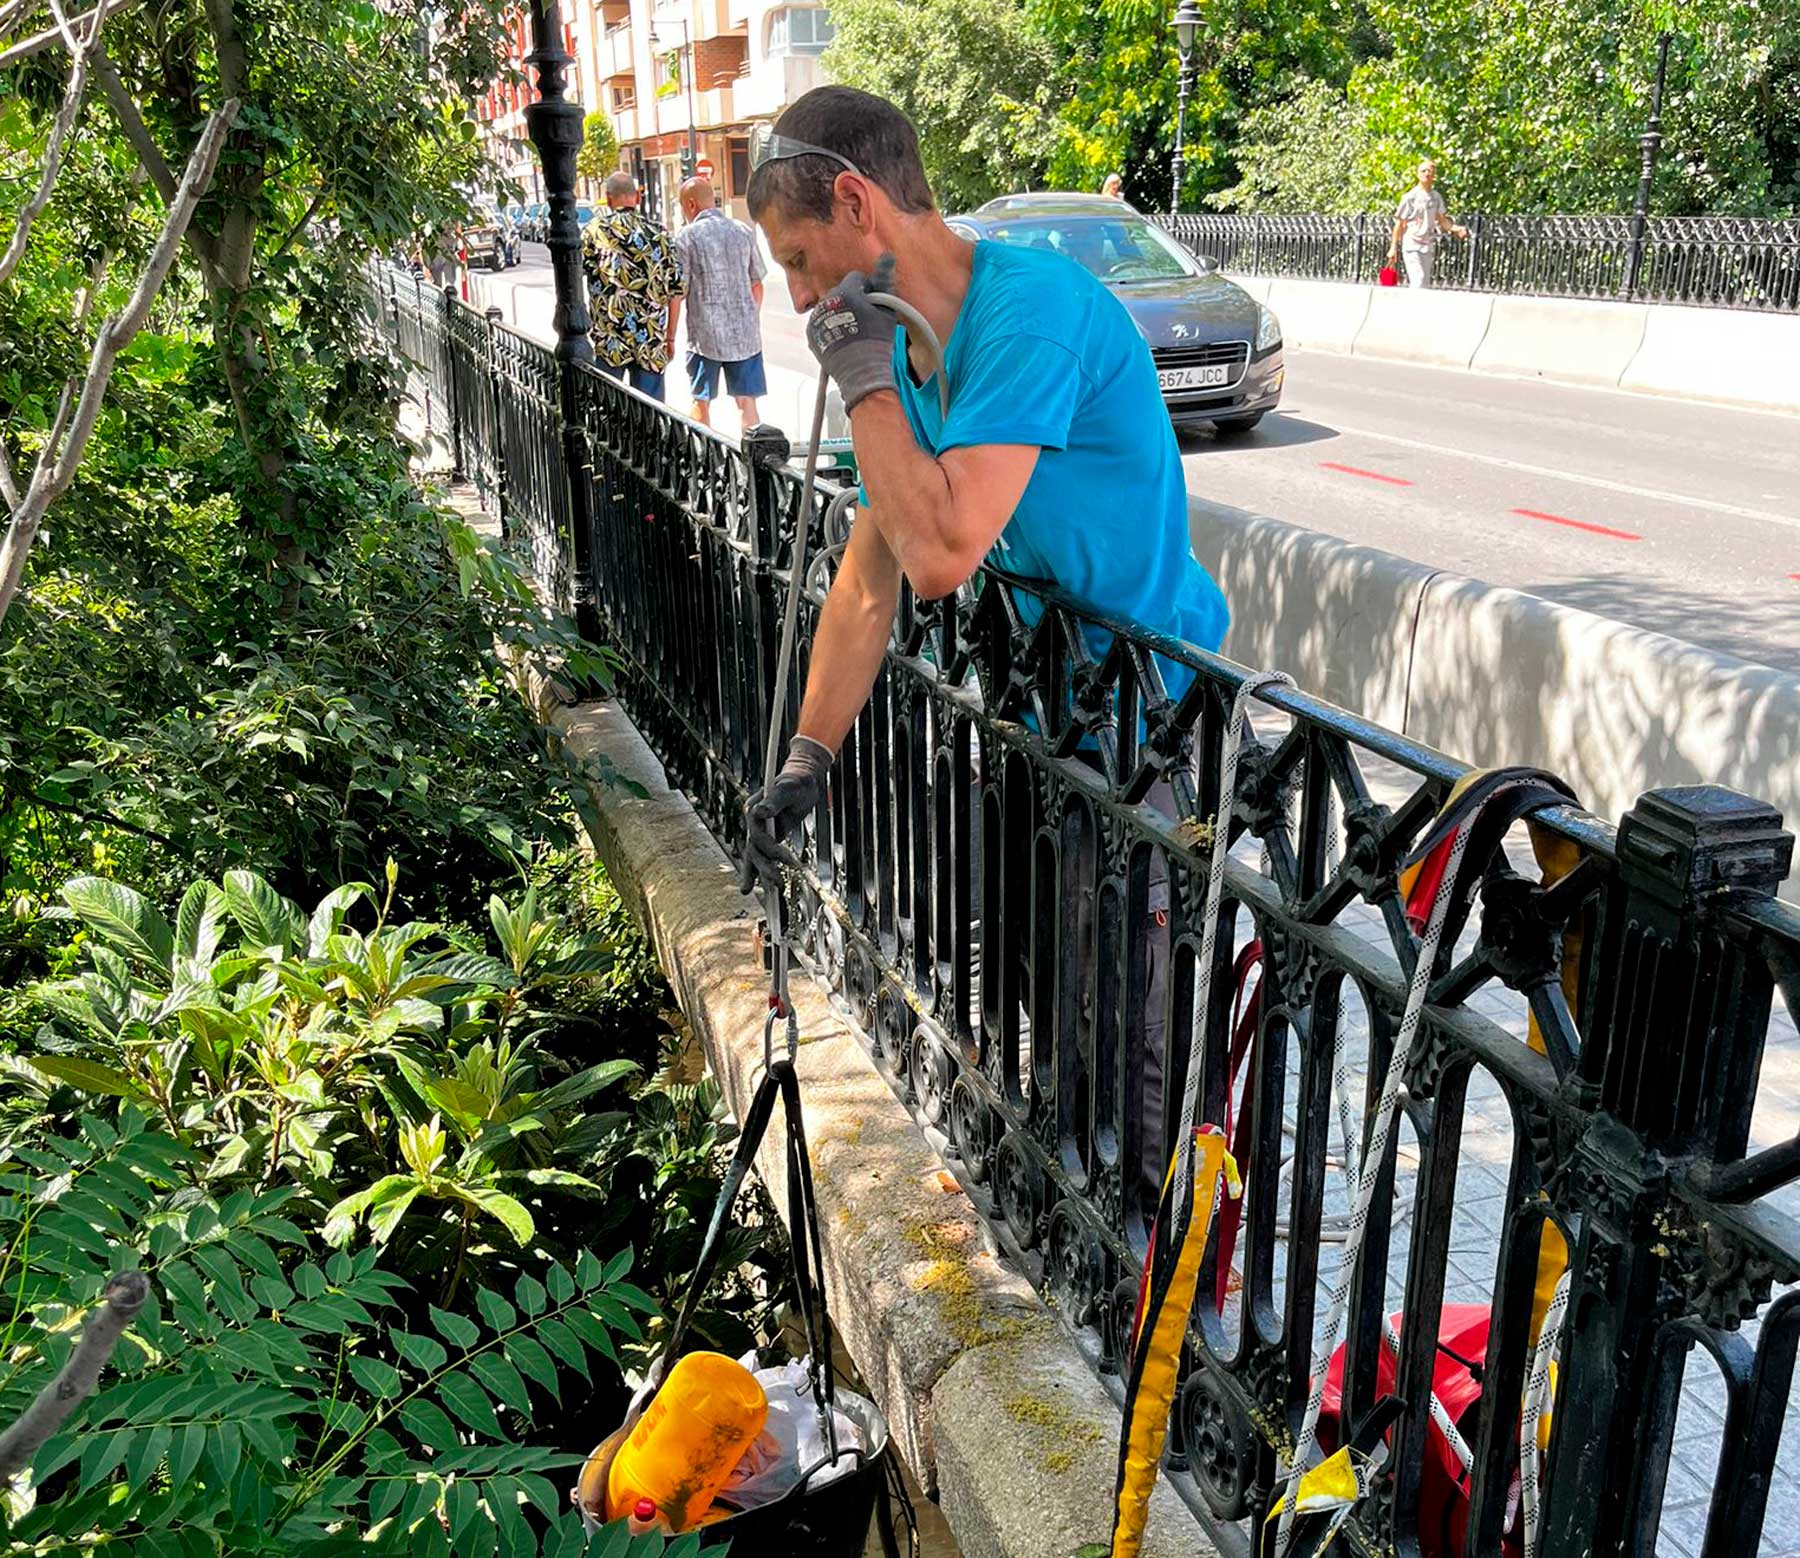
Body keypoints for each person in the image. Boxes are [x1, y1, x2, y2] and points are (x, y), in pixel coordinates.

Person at [743, 84, 1229, 1203]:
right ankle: (1065, 1226)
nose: (804, 295)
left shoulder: (1026, 314)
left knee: (1130, 1028)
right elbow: (865, 582)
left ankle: (1160, 1300)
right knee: (1028, 989)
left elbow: (942, 548)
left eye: (802, 259)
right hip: (1032, 707)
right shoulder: (908, 355)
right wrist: (806, 761)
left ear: (859, 203)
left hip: (1141, 719)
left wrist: (860, 369)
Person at [667, 177, 768, 428]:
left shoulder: (686, 238)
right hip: (745, 338)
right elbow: (757, 284)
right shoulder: (743, 231)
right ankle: (751, 460)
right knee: (747, 402)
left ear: (691, 205)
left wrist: (669, 337)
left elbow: (678, 293)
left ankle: (702, 463)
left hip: (704, 338)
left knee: (701, 400)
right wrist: (750, 318)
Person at [581, 171, 683, 401]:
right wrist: (670, 338)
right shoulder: (659, 234)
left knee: (608, 414)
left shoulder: (595, 231)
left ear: (608, 199)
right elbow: (675, 291)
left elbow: (577, 276)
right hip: (651, 339)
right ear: (637, 198)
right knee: (650, 415)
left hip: (609, 340)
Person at [1387, 159, 1468, 289]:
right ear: (1417, 174)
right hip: (1412, 245)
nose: (1426, 174)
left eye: (1429, 171)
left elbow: (1443, 221)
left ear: (1434, 175)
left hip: (1427, 245)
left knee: (1424, 282)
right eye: (1423, 171)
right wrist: (1393, 248)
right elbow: (1399, 224)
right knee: (1418, 280)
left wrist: (1457, 229)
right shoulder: (1410, 197)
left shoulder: (1436, 197)